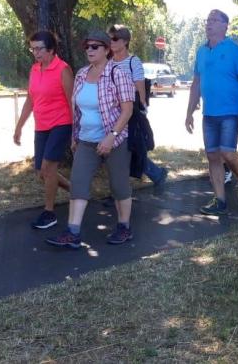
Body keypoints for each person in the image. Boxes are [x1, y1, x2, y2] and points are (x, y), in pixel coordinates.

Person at [45, 31, 134, 248]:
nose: (89, 50)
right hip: (86, 140)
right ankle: (73, 232)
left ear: (107, 50)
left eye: (95, 46)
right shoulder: (82, 74)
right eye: (87, 47)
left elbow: (127, 110)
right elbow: (77, 109)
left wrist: (111, 136)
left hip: (115, 140)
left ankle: (124, 227)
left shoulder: (117, 74)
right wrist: (74, 136)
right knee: (78, 184)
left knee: (119, 186)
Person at [185, 9, 238, 215]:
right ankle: (220, 201)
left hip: (231, 112)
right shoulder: (201, 51)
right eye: (208, 20)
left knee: (227, 153)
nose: (209, 23)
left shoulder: (234, 50)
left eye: (214, 20)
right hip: (209, 114)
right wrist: (189, 112)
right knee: (213, 156)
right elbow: (196, 84)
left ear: (225, 25)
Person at [14, 30, 73, 229]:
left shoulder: (63, 69)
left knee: (49, 168)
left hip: (61, 123)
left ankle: (49, 213)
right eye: (33, 49)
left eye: (39, 49)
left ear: (51, 49)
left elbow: (72, 102)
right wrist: (19, 126)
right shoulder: (34, 69)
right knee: (41, 171)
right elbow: (30, 100)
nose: (36, 53)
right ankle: (75, 191)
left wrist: (75, 132)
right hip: (42, 125)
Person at [108, 24, 168, 185]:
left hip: (130, 112)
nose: (111, 41)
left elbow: (140, 88)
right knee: (126, 147)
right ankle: (157, 174)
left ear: (125, 41)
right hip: (112, 112)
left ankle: (153, 175)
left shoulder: (133, 62)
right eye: (110, 38)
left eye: (115, 38)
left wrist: (142, 110)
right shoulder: (108, 63)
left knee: (131, 146)